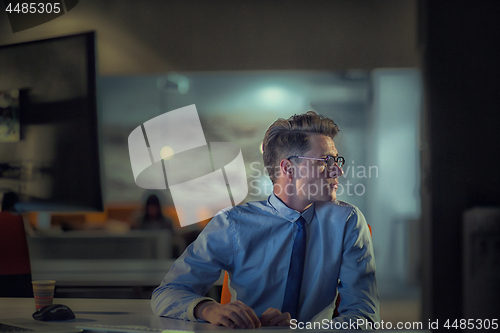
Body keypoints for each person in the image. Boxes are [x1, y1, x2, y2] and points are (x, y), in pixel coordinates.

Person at [151, 111, 379, 329]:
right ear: (289, 168)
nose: (337, 170)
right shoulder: (232, 224)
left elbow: (364, 317)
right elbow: (168, 292)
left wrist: (303, 330)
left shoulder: (347, 222)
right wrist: (209, 310)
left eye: (336, 160)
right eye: (326, 160)